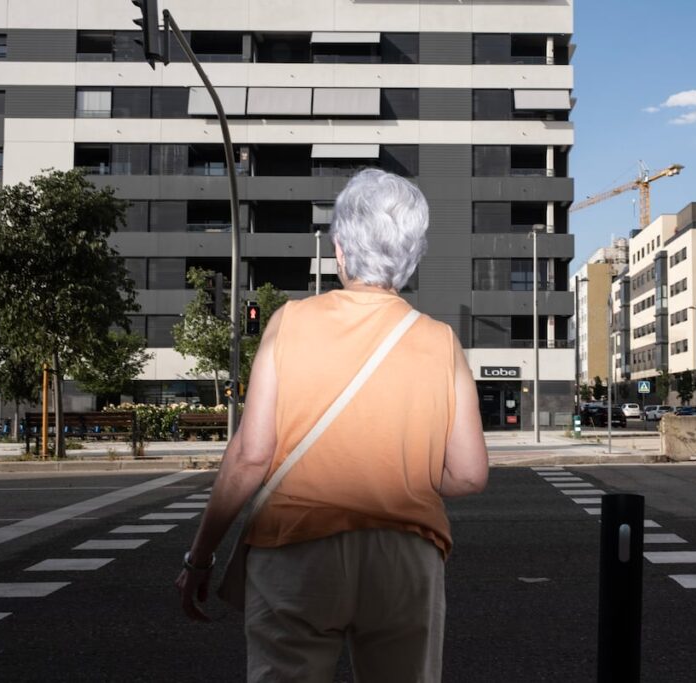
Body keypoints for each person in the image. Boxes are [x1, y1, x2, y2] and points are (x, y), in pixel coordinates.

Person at [175, 169, 489, 682]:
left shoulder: (290, 321)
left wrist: (201, 556)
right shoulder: (440, 340)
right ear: (412, 257)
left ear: (340, 250)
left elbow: (251, 455)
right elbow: (470, 475)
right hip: (405, 554)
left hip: (296, 547)